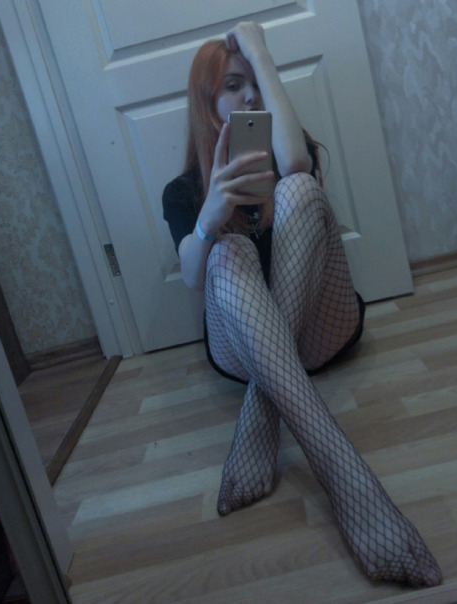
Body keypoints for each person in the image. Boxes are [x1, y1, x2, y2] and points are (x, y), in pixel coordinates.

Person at [162, 22, 442, 588]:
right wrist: (211, 215)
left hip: (321, 329)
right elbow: (191, 278)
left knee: (300, 187)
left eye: (256, 83)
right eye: (234, 86)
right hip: (244, 353)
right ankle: (350, 480)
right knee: (224, 252)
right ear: (207, 101)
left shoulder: (288, 148)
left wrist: (260, 51)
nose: (250, 97)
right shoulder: (183, 191)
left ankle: (259, 419)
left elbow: (294, 164)